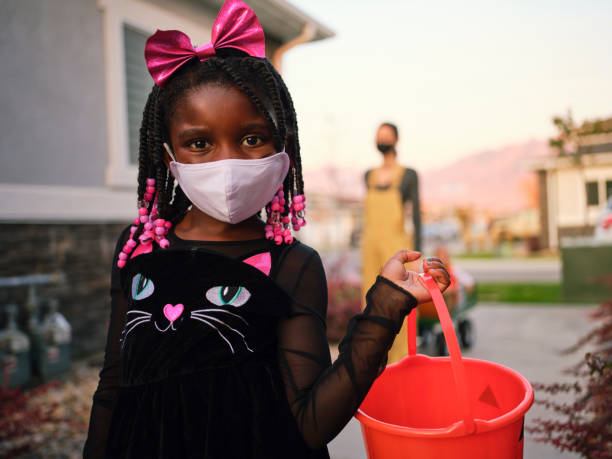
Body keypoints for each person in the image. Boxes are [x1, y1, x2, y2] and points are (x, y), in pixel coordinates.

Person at [84, 2, 449, 457]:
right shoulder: (137, 250)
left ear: (284, 148)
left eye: (252, 139)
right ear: (166, 155)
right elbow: (113, 386)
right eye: (199, 143)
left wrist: (385, 308)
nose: (229, 162)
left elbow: (311, 424)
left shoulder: (294, 265)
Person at [362, 122, 422, 364]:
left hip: (397, 246)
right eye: (379, 136)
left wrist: (418, 256)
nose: (382, 140)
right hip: (370, 247)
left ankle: (402, 360)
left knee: (399, 299)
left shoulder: (408, 175)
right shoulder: (368, 176)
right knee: (371, 299)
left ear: (396, 140)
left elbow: (416, 215)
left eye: (386, 136)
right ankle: (373, 357)